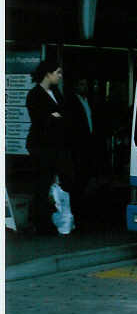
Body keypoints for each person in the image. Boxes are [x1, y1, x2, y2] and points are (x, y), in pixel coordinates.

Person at [25, 60, 74, 234]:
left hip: (57, 146)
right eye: (58, 73)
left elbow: (64, 115)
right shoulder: (34, 94)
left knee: (60, 182)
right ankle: (40, 222)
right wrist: (53, 118)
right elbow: (40, 120)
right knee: (42, 183)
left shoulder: (56, 93)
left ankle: (55, 219)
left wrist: (55, 118)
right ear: (48, 73)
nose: (60, 77)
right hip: (41, 146)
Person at [65, 78, 97, 217]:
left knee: (85, 174)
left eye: (85, 84)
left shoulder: (88, 101)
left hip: (88, 142)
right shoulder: (72, 102)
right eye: (81, 84)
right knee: (78, 176)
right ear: (75, 86)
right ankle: (76, 205)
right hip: (78, 144)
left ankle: (80, 204)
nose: (84, 87)